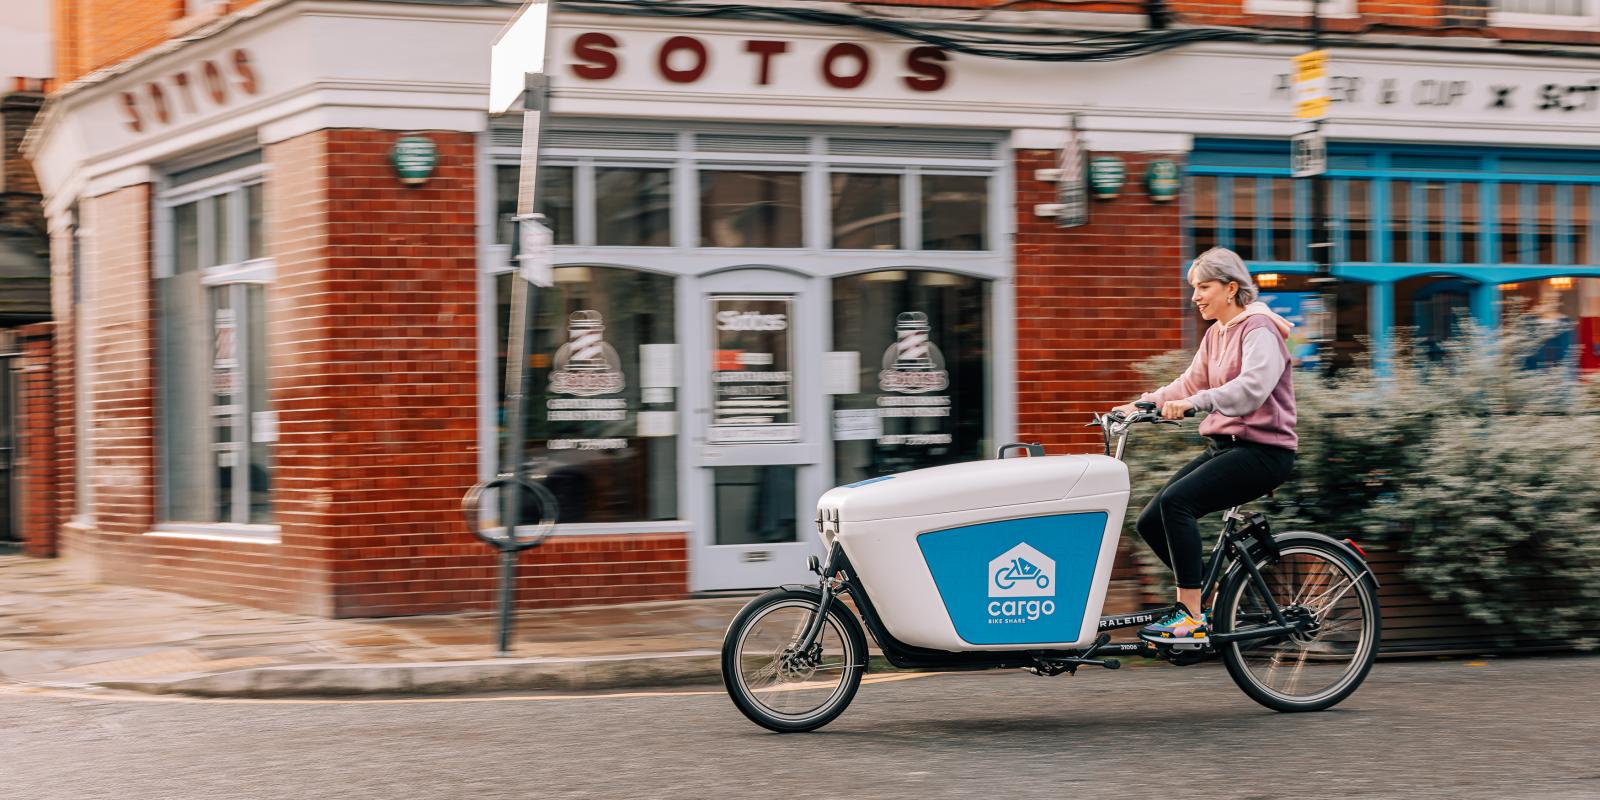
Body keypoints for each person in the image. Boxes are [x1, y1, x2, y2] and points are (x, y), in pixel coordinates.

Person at [1110, 247, 1298, 645]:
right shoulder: (1217, 333)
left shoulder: (1259, 328)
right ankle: (1205, 600)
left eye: (1204, 287)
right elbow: (1188, 383)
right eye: (1193, 287)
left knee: (1178, 504)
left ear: (1231, 288)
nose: (1195, 296)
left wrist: (1198, 403)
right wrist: (1140, 404)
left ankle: (1190, 615)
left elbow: (1252, 388)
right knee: (1150, 520)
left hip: (1264, 451)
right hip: (1227, 447)